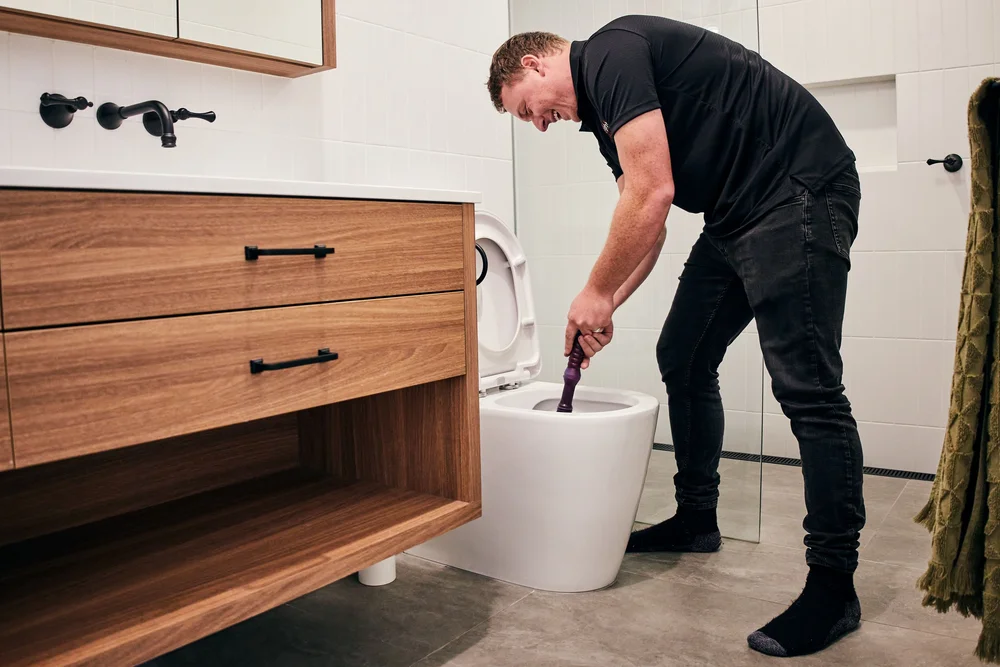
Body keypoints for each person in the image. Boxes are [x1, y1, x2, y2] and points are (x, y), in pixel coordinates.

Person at [486, 15, 866, 659]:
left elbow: (654, 191)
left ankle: (834, 587)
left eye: (527, 110)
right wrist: (604, 305)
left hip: (798, 189)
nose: (537, 124)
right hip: (739, 213)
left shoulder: (609, 52)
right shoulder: (606, 122)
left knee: (809, 391)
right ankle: (697, 518)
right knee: (682, 355)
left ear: (534, 66)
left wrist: (595, 293)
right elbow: (648, 228)